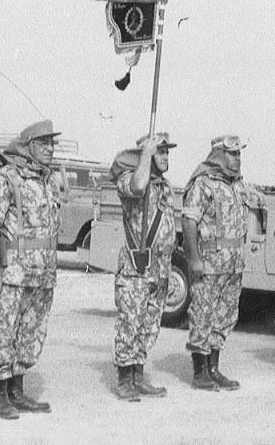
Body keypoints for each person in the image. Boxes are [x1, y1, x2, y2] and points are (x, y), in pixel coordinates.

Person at [0, 120, 62, 419]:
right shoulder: (8, 178)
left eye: (52, 144)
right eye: (44, 143)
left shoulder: (47, 181)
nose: (50, 149)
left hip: (42, 275)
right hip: (13, 273)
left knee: (31, 333)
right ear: (28, 146)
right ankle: (0, 394)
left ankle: (17, 390)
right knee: (4, 331)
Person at [110, 132, 178, 401]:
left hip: (159, 268)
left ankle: (138, 375)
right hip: (135, 269)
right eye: (159, 151)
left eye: (166, 152)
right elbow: (138, 188)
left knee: (149, 325)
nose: (165, 156)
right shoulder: (130, 179)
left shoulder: (164, 186)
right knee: (130, 323)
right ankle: (125, 379)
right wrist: (145, 157)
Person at [182, 135, 250, 391]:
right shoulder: (203, 184)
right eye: (232, 154)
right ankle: (200, 371)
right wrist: (194, 259)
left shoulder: (238, 186)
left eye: (239, 155)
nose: (237, 159)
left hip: (233, 267)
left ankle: (214, 367)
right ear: (218, 155)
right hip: (209, 265)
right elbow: (189, 221)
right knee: (203, 315)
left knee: (225, 317)